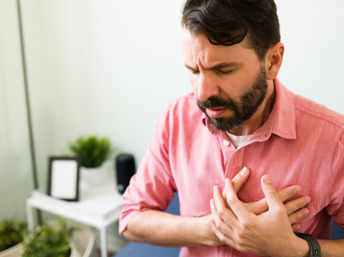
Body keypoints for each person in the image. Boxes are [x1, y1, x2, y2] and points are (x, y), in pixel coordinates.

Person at [119, 0, 344, 256]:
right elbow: (131, 219)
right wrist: (216, 229)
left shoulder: (334, 139)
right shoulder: (176, 119)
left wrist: (298, 248)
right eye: (193, 70)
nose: (202, 93)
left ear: (273, 61)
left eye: (224, 70)